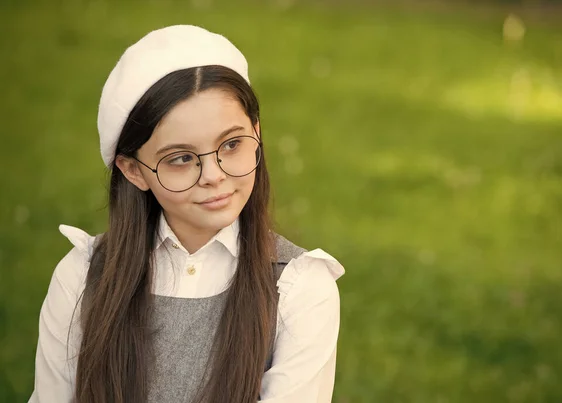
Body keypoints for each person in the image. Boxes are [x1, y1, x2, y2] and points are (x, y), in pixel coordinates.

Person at [28, 25, 344, 403]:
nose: (214, 175)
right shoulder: (81, 278)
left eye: (231, 144)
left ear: (256, 133)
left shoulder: (300, 288)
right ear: (133, 170)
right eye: (181, 158)